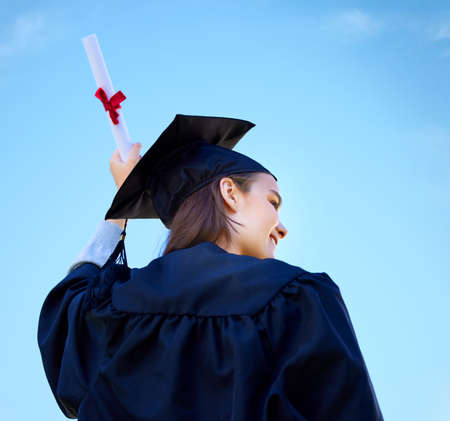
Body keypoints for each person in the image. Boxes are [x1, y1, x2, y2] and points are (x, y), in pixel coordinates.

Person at [38, 115, 384, 420]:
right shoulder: (298, 296)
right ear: (230, 193)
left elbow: (69, 313)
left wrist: (119, 206)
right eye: (273, 201)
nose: (281, 226)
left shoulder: (111, 309)